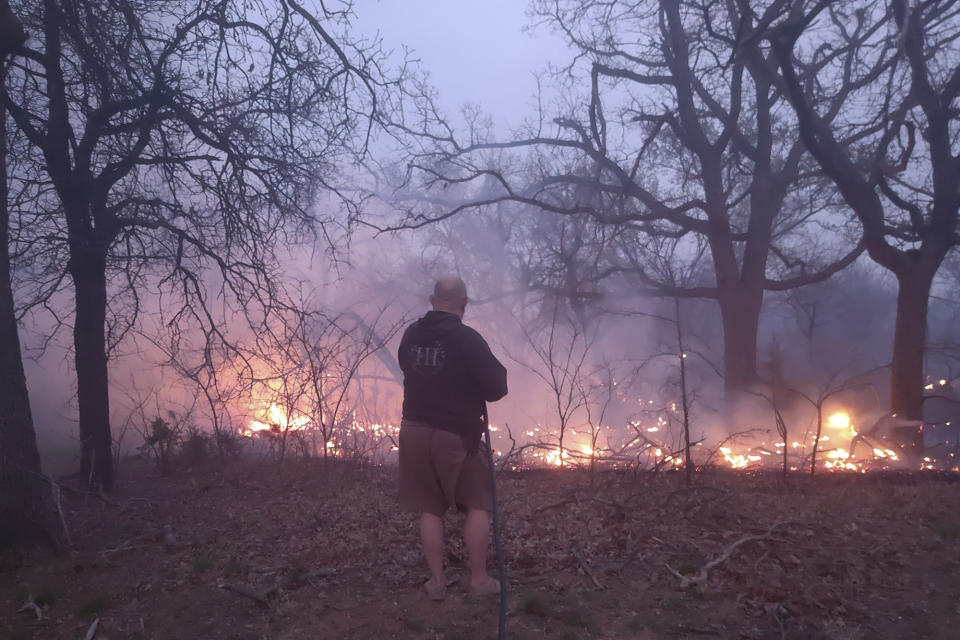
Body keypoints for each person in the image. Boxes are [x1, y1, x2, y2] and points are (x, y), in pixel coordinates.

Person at [397, 276, 508, 601]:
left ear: (432, 301)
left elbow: (407, 368)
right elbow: (497, 388)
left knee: (430, 508)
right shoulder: (467, 339)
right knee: (478, 504)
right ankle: (479, 581)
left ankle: (437, 582)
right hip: (457, 434)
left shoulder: (411, 335)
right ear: (464, 303)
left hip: (414, 430)